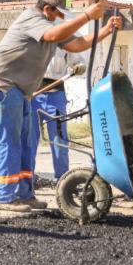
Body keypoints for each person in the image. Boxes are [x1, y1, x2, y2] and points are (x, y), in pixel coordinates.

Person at [0, 0, 121, 212]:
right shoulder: (31, 18)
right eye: (59, 14)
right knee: (9, 141)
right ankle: (4, 197)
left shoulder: (51, 25)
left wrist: (105, 30)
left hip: (21, 90)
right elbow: (53, 35)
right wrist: (86, 16)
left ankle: (24, 195)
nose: (61, 19)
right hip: (1, 85)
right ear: (47, 9)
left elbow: (77, 44)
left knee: (26, 144)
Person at [32, 49, 83, 182]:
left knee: (59, 140)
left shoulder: (64, 42)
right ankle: (27, 180)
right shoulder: (32, 40)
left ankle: (62, 179)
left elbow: (78, 62)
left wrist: (79, 67)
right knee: (29, 140)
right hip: (32, 96)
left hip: (56, 96)